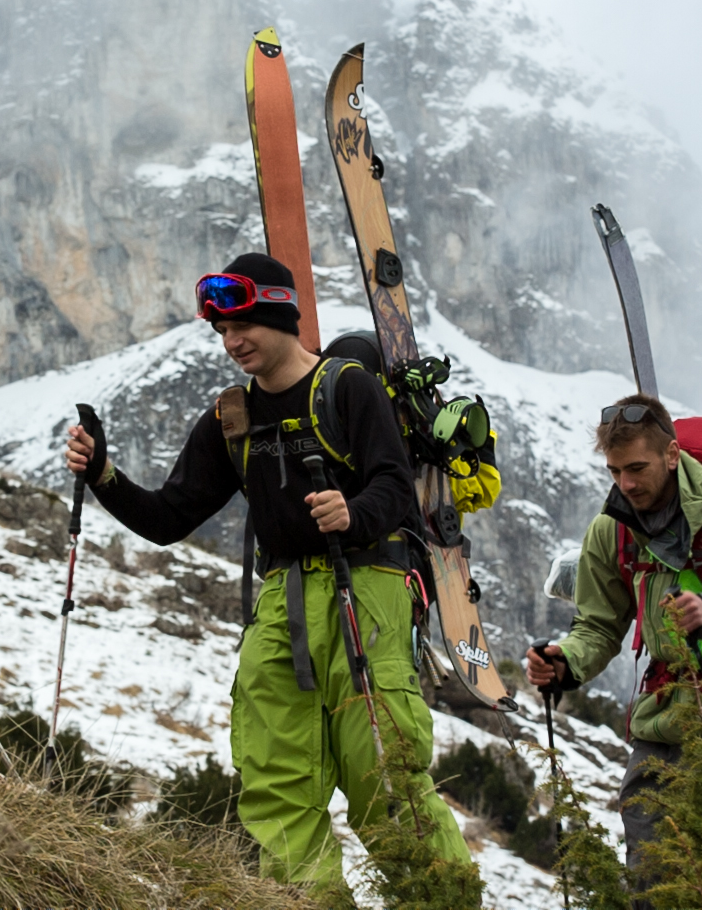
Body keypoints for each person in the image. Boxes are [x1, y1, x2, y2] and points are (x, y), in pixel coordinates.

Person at [64, 252, 471, 894]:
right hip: (282, 603)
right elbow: (170, 517)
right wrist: (102, 475)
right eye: (221, 332)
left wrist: (353, 511)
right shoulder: (232, 416)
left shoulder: (346, 385)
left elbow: (395, 485)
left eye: (242, 326)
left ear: (281, 314)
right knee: (275, 786)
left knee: (382, 779)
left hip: (366, 586)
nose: (232, 343)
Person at [526, 394, 702, 874]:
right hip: (659, 725)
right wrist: (565, 661)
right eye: (614, 471)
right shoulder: (611, 531)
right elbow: (597, 624)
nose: (625, 484)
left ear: (673, 456)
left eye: (636, 468)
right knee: (650, 880)